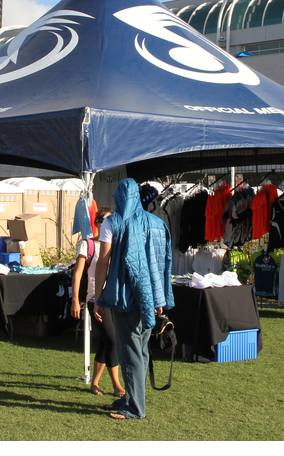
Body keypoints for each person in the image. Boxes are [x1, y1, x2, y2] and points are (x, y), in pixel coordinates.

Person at [94, 178, 174, 420]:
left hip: (124, 298)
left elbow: (103, 262)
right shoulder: (158, 223)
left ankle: (134, 407)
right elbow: (163, 264)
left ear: (118, 197)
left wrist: (98, 296)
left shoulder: (113, 222)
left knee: (130, 351)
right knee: (139, 349)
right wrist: (160, 296)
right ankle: (129, 398)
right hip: (149, 297)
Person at [70, 206, 125, 398]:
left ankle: (94, 382)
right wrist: (75, 301)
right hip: (95, 299)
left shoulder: (115, 245)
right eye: (103, 221)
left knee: (105, 341)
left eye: (111, 221)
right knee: (112, 340)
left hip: (113, 299)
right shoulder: (88, 244)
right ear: (97, 223)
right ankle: (117, 384)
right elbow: (77, 275)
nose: (107, 225)